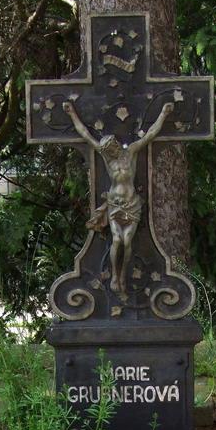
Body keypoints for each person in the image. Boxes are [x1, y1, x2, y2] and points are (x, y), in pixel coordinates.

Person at [62, 99, 174, 296]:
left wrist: (164, 114)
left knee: (127, 241)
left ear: (115, 144)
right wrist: (71, 113)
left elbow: (150, 134)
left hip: (131, 204)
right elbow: (86, 135)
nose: (109, 151)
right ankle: (114, 275)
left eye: (111, 148)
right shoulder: (107, 159)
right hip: (115, 204)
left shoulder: (130, 152)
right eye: (106, 150)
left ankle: (122, 276)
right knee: (116, 240)